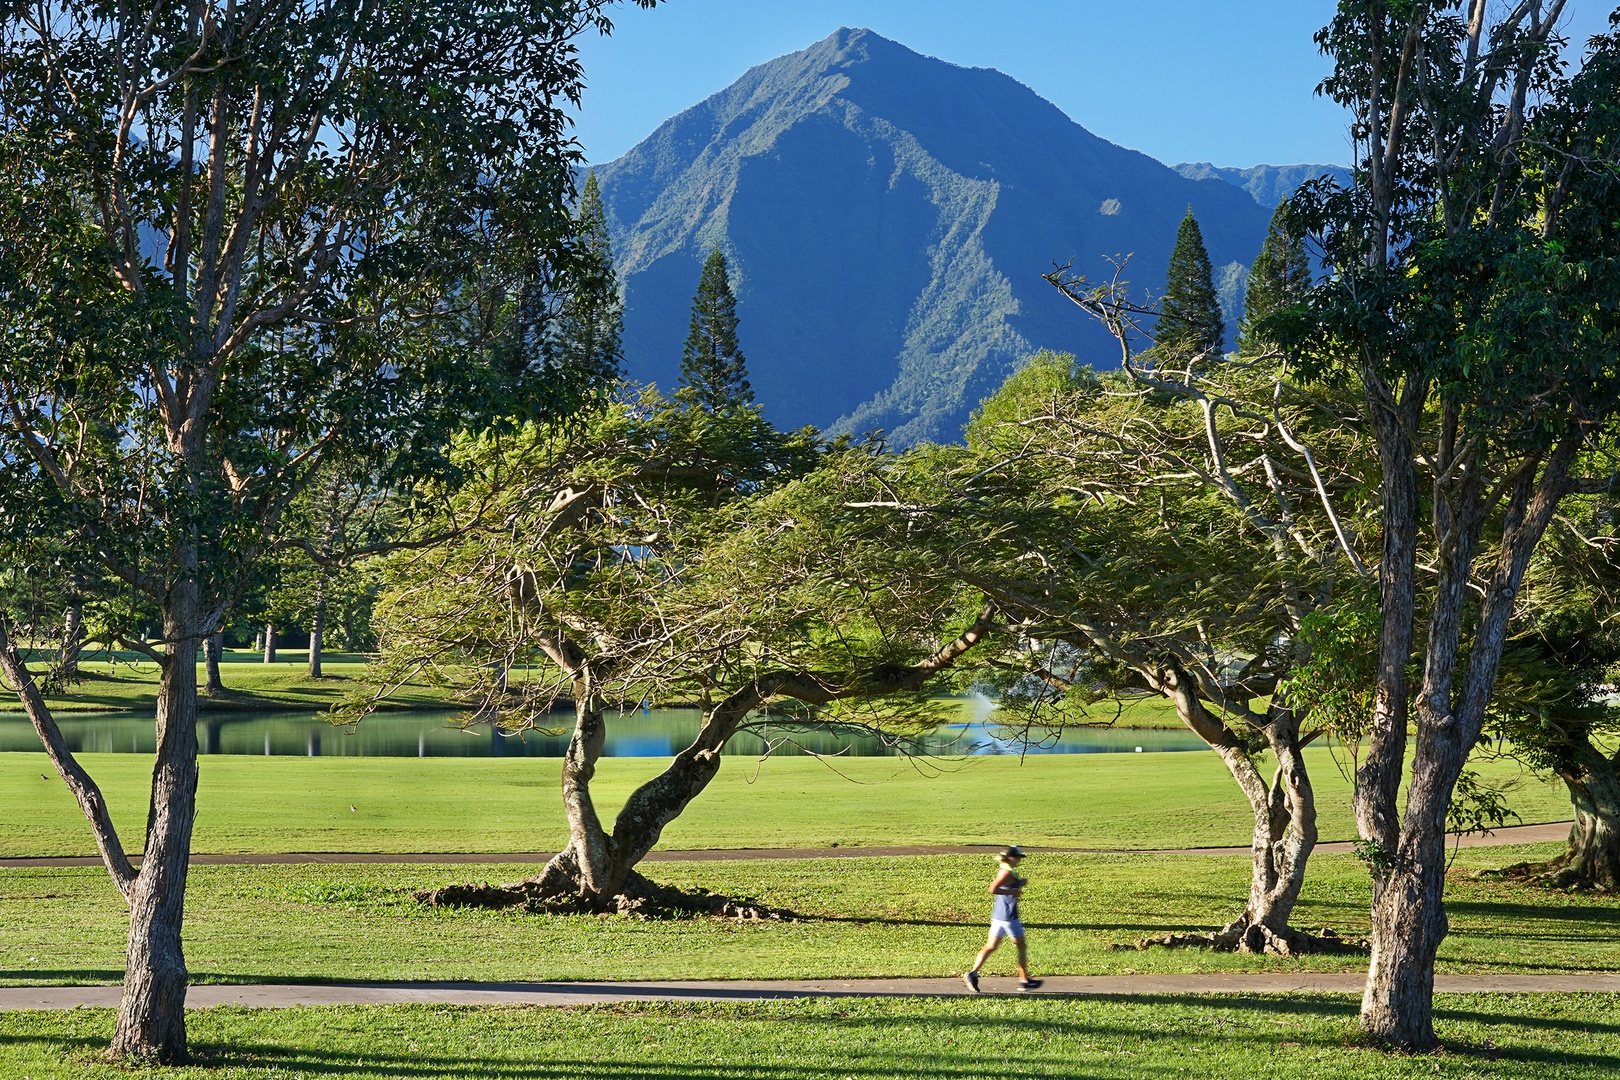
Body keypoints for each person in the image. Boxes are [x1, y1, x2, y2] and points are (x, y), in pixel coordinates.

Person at [963, 846, 1042, 992]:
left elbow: (1005, 886)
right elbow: (993, 889)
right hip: (1009, 916)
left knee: (991, 946)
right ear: (1011, 857)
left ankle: (973, 974)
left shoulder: (1005, 869)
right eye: (1017, 858)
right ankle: (1024, 981)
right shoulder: (1006, 871)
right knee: (1022, 946)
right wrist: (1014, 890)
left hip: (999, 915)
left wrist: (1018, 884)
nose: (1019, 860)